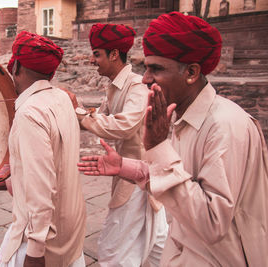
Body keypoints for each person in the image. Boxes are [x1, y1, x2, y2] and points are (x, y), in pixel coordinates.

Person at [78, 11, 268, 266]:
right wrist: (125, 167)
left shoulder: (225, 126)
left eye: (155, 69)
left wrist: (158, 146)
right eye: (146, 68)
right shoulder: (186, 116)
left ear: (191, 72)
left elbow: (212, 222)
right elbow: (183, 179)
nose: (145, 79)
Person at [71, 23, 168, 266]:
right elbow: (100, 118)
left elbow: (123, 126)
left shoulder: (135, 86)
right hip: (133, 175)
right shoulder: (114, 87)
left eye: (97, 54)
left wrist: (79, 114)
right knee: (156, 242)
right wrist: (71, 110)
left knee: (114, 249)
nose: (93, 60)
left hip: (138, 178)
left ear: (114, 54)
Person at [0, 31, 86, 267]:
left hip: (42, 242)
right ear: (51, 73)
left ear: (15, 68)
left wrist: (35, 253)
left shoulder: (29, 113)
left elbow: (41, 189)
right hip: (71, 234)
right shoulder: (64, 99)